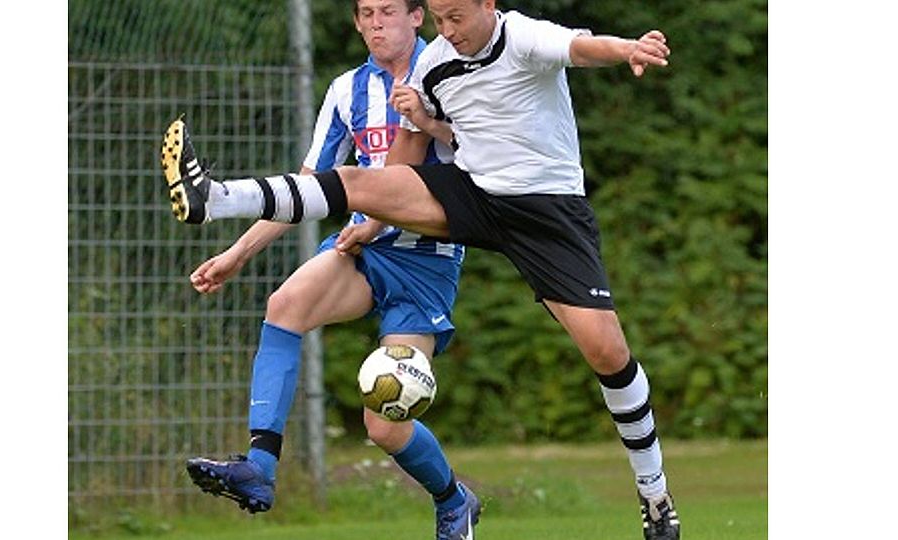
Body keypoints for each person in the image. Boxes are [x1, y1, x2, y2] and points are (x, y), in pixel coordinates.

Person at [163, 1, 679, 538]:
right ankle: (216, 200)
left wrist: (629, 48)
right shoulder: (401, 74)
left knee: (605, 352)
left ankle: (654, 493)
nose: (446, 31)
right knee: (308, 264)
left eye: (454, 18)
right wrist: (368, 217)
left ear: (484, 5)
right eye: (439, 19)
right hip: (448, 206)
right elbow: (385, 166)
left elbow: (580, 47)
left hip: (528, 217)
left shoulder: (518, 37)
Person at [168, 1, 481, 539]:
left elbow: (477, 159)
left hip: (426, 262)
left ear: (416, 17)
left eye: (388, 11)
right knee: (284, 306)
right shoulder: (345, 91)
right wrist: (237, 254)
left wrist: (379, 220)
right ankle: (259, 469)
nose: (377, 23)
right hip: (360, 249)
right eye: (367, 13)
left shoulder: (449, 71)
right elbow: (308, 187)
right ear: (356, 23)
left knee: (384, 424)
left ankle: (454, 500)